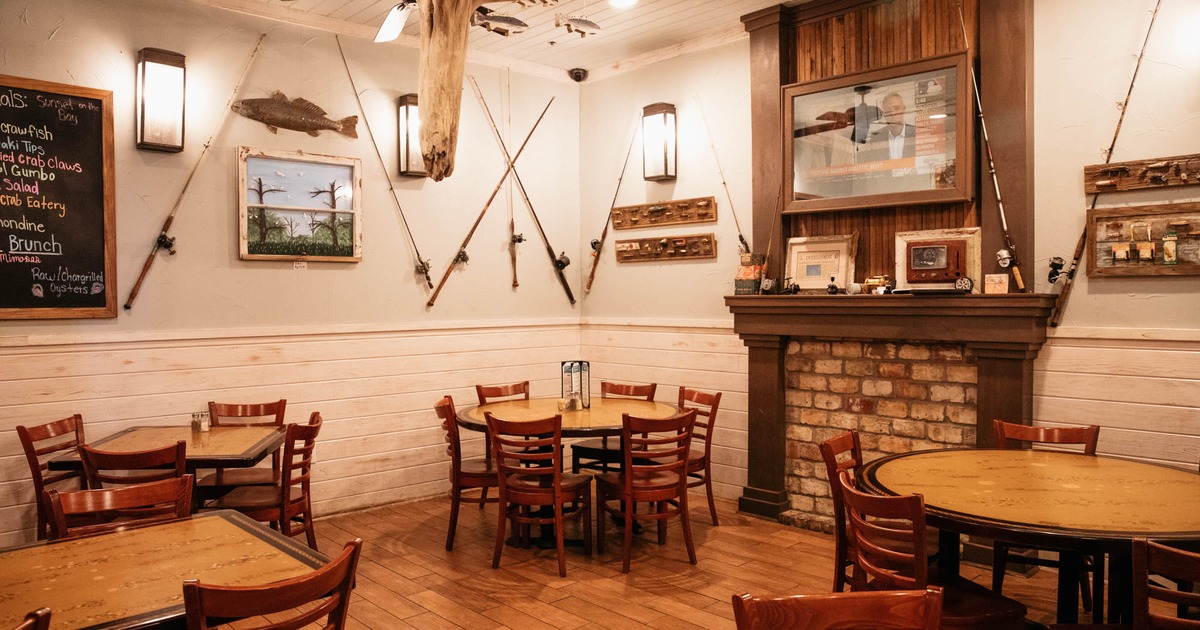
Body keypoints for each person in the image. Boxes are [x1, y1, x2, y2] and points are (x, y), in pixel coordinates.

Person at [858, 92, 915, 162]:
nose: (893, 113)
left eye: (897, 108)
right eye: (888, 111)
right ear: (884, 114)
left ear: (903, 109)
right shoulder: (876, 138)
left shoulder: (917, 134)